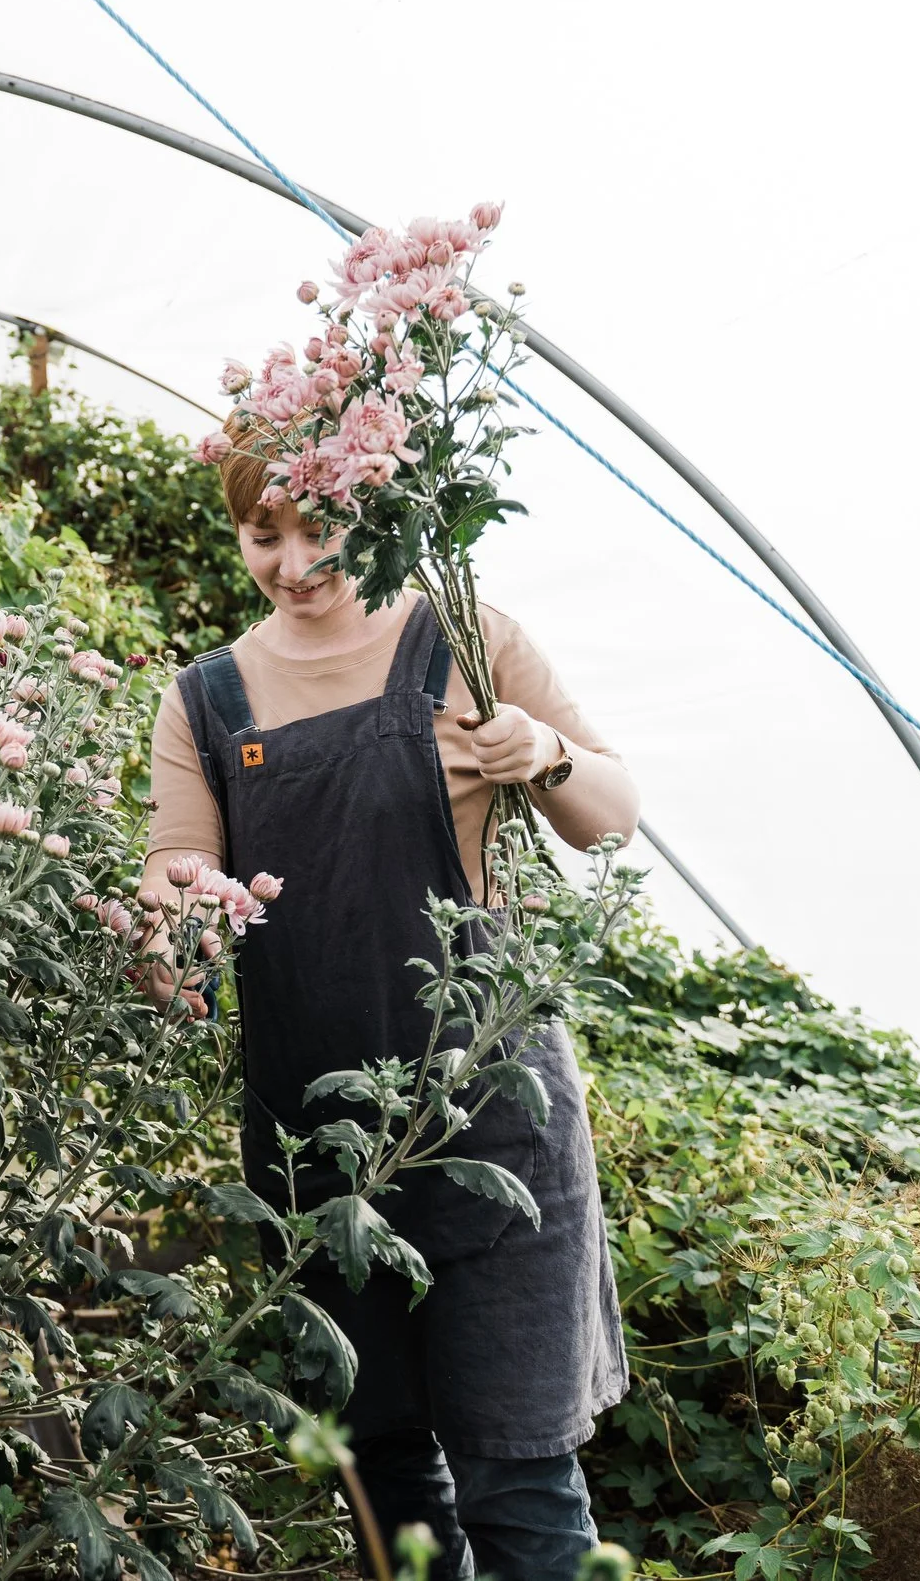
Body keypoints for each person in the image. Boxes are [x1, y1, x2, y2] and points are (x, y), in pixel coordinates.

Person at [139, 424, 640, 1581]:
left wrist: (545, 752)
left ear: (372, 511)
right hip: (321, 1147)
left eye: (317, 525)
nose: (291, 559)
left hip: (494, 1121)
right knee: (389, 1497)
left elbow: (610, 810)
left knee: (518, 1480)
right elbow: (182, 862)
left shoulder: (462, 635)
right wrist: (170, 933)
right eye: (261, 533)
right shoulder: (205, 701)